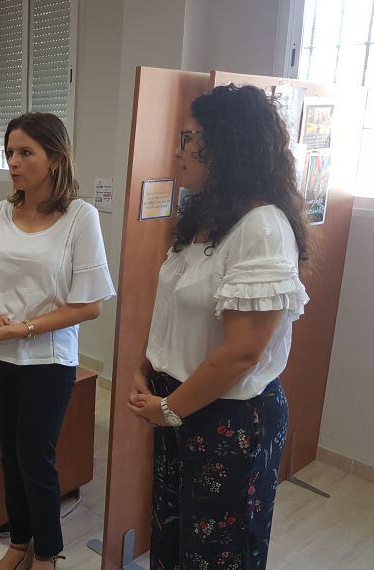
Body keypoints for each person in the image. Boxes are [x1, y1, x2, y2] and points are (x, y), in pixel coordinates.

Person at [127, 84, 311, 569]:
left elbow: (242, 354)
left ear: (227, 145)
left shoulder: (263, 227)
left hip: (227, 421)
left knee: (217, 557)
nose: (179, 149)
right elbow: (178, 306)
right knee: (172, 541)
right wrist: (147, 367)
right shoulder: (205, 215)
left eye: (190, 138)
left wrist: (168, 409)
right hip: (180, 406)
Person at [0, 112, 115, 570]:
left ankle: (47, 554)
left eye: (25, 152)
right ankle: (18, 543)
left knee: (36, 459)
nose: (13, 161)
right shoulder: (0, 212)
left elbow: (90, 306)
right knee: (9, 455)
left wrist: (24, 328)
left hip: (47, 360)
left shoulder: (80, 218)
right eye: (10, 152)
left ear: (54, 159)